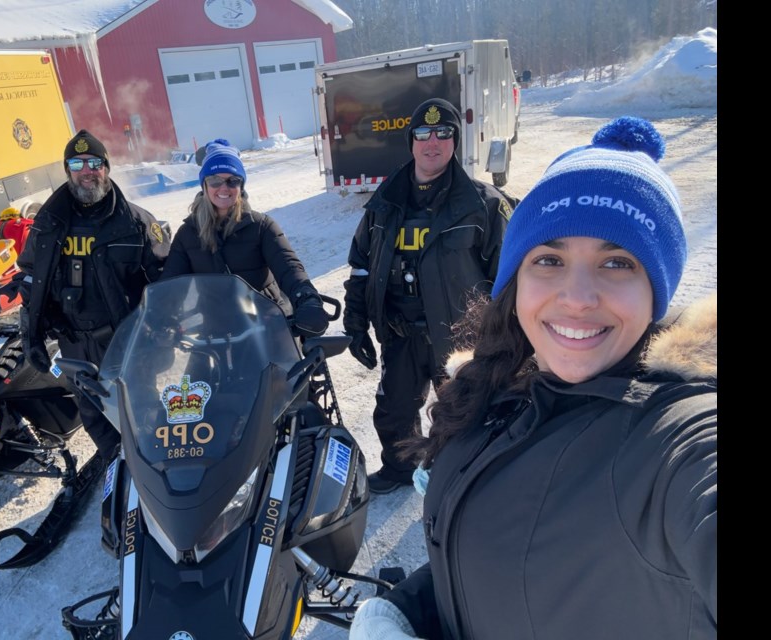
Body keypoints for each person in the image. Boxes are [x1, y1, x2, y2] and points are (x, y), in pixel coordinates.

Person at [349, 117, 717, 639]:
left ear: (656, 290)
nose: (578, 296)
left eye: (617, 263)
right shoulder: (503, 393)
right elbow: (504, 552)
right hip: (409, 335)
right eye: (549, 258)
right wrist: (405, 611)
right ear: (518, 276)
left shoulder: (676, 442)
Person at [343, 98, 518, 493]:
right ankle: (400, 469)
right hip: (401, 333)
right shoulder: (384, 204)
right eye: (423, 133)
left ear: (456, 141)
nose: (432, 141)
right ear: (411, 142)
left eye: (443, 133)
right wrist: (355, 323)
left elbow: (508, 280)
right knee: (394, 411)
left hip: (459, 337)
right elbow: (361, 266)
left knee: (465, 413)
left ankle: (462, 478)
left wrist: (507, 339)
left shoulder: (483, 205)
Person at [17, 129, 170, 461]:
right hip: (74, 344)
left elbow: (165, 281)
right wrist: (30, 333)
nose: (87, 170)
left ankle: (156, 471)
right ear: (67, 170)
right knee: (94, 416)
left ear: (106, 167)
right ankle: (119, 465)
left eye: (94, 162)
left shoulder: (137, 223)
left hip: (125, 341)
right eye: (77, 163)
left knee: (144, 412)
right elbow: (30, 278)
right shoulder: (48, 224)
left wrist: (165, 332)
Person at [160, 138, 328, 338]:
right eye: (215, 180)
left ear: (241, 186)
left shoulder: (261, 226)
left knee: (289, 369)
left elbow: (289, 268)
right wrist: (161, 317)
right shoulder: (188, 234)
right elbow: (170, 284)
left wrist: (306, 298)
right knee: (195, 370)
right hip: (215, 330)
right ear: (204, 185)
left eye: (233, 180)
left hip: (266, 324)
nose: (224, 187)